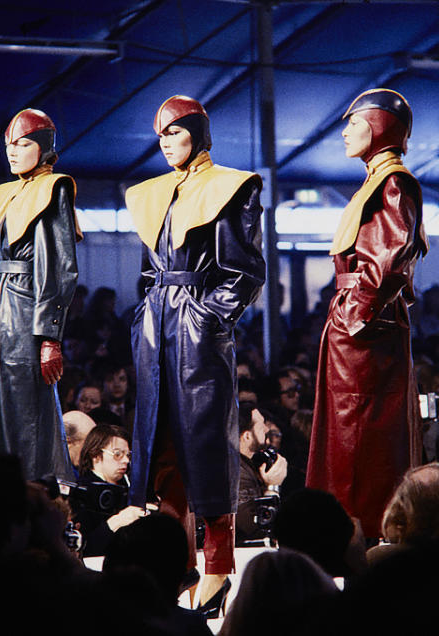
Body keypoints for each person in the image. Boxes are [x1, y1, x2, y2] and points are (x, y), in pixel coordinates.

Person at [126, 95, 265, 607]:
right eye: (160, 134)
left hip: (196, 324)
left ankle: (218, 568)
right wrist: (143, 313)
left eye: (176, 132)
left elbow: (246, 270)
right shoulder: (151, 193)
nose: (166, 141)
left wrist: (207, 319)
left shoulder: (231, 187)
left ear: (199, 133)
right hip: (156, 323)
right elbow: (147, 269)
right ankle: (175, 563)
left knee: (206, 450)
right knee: (161, 448)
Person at [306, 88, 428, 538]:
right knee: (349, 437)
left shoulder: (392, 182)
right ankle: (353, 537)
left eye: (354, 122)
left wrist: (354, 317)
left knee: (358, 440)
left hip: (364, 327)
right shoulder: (379, 181)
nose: (344, 132)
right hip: (360, 322)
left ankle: (358, 539)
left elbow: (390, 258)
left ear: (378, 126)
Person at [0, 108, 81, 481]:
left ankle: (31, 500)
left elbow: (58, 266)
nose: (13, 151)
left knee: (24, 411)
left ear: (44, 147)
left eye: (24, 143)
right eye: (9, 144)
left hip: (24, 310)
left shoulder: (53, 188)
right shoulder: (7, 195)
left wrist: (50, 336)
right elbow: (9, 249)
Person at [72, 425, 145, 556]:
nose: (126, 461)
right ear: (95, 455)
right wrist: (118, 521)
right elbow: (84, 548)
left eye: (128, 455)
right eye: (117, 454)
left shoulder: (129, 488)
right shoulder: (81, 492)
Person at [237, 404, 288, 544]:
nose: (267, 429)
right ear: (247, 436)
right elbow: (254, 527)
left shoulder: (250, 465)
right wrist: (272, 487)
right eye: (261, 426)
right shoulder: (236, 472)